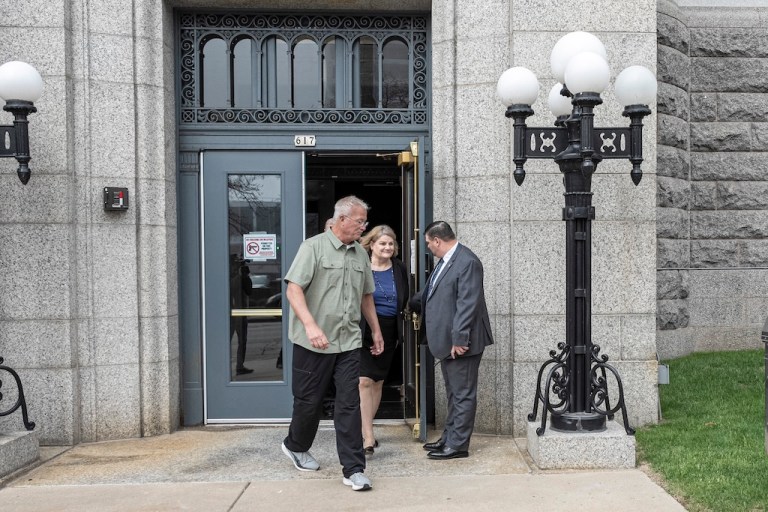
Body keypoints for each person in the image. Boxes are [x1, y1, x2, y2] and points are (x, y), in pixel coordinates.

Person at [280, 195, 384, 492]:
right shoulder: (312, 247)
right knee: (309, 403)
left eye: (365, 221)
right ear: (341, 219)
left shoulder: (361, 254)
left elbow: (366, 295)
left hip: (348, 341)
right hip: (313, 343)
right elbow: (294, 290)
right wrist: (311, 326)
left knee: (349, 404)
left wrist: (375, 331)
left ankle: (353, 469)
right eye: (360, 221)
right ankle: (295, 445)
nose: (363, 227)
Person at [411, 221, 493, 460]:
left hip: (461, 343)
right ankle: (449, 437)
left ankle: (458, 445)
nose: (428, 247)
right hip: (447, 342)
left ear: (437, 240)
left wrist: (460, 339)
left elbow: (467, 304)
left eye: (428, 243)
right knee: (454, 393)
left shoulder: (467, 262)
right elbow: (431, 294)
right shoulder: (446, 261)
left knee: (463, 393)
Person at [358, 225, 409, 455]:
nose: (387, 247)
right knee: (364, 381)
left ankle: (366, 428)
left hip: (389, 330)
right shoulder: (361, 266)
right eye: (382, 244)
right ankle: (368, 436)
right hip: (363, 329)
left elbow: (405, 297)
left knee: (377, 382)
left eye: (390, 244)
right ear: (371, 245)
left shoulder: (398, 268)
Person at [230, 262, 253, 376]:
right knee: (242, 341)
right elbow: (249, 291)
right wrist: (247, 279)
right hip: (240, 313)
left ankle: (227, 365)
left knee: (227, 341)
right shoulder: (244, 280)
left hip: (230, 314)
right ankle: (239, 366)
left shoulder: (231, 280)